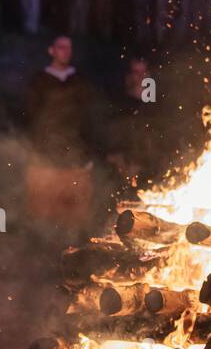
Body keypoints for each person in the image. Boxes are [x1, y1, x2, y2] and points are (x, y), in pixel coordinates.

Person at [24, 34, 97, 243]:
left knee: (75, 209)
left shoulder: (79, 80)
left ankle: (74, 252)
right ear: (51, 50)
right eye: (61, 47)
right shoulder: (39, 81)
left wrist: (87, 150)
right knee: (44, 206)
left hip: (74, 152)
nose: (66, 51)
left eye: (69, 48)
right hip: (46, 151)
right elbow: (32, 115)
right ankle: (43, 252)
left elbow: (88, 117)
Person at [106, 56, 162, 190]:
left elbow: (158, 138)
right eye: (137, 72)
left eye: (144, 72)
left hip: (151, 173)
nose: (141, 77)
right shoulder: (118, 107)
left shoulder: (155, 108)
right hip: (123, 173)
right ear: (129, 76)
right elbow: (113, 143)